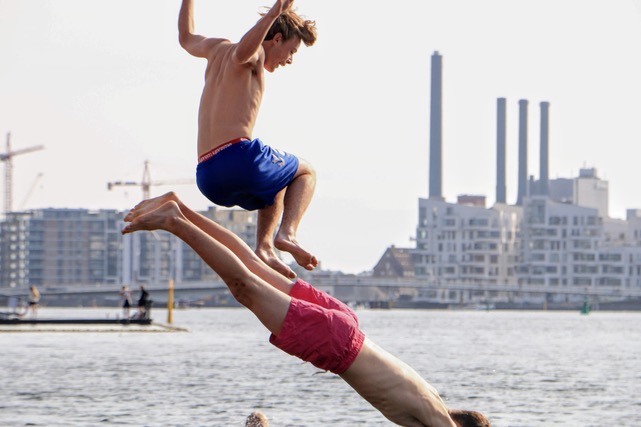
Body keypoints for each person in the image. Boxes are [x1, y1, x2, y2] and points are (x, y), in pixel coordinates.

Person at [121, 192, 491, 427]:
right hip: (336, 346)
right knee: (245, 287)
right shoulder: (437, 419)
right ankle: (175, 221)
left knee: (253, 267)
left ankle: (180, 207)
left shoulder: (430, 399)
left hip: (347, 327)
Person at [178, 0, 319, 280]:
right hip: (237, 158)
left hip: (207, 176)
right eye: (290, 51)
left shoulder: (216, 48)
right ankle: (287, 234)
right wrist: (276, 10)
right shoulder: (252, 55)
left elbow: (186, 38)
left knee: (278, 179)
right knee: (305, 171)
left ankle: (265, 248)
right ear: (276, 39)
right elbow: (243, 53)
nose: (289, 60)